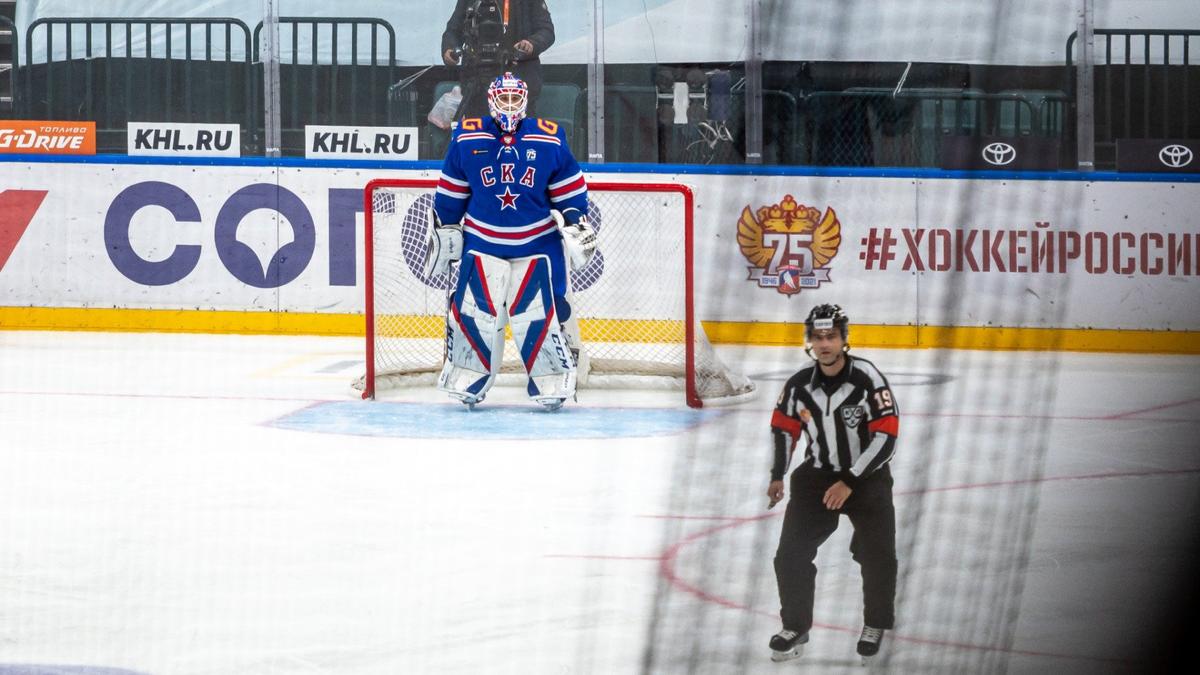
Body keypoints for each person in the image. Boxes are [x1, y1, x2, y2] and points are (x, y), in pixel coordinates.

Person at [425, 72, 596, 411]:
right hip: (482, 243)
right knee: (475, 313)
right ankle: (467, 375)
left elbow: (570, 192)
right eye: (502, 99)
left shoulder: (550, 139)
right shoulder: (465, 138)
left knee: (539, 314)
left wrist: (576, 220)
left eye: (514, 98)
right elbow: (451, 194)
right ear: (491, 101)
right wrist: (445, 228)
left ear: (526, 100)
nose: (508, 106)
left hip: (537, 245)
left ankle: (551, 379)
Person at [766, 303, 899, 664]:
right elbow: (783, 428)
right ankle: (795, 626)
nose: (824, 344)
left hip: (866, 478)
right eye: (817, 337)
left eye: (831, 336)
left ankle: (875, 624)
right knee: (789, 556)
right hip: (817, 478)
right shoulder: (798, 386)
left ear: (844, 339)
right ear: (809, 340)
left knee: (877, 555)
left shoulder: (868, 378)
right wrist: (778, 475)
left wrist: (850, 481)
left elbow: (886, 437)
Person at [441, 0, 555, 121]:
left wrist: (531, 44)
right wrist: (449, 49)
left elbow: (546, 31)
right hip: (477, 83)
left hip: (517, 83)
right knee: (478, 136)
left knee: (519, 136)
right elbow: (453, 31)